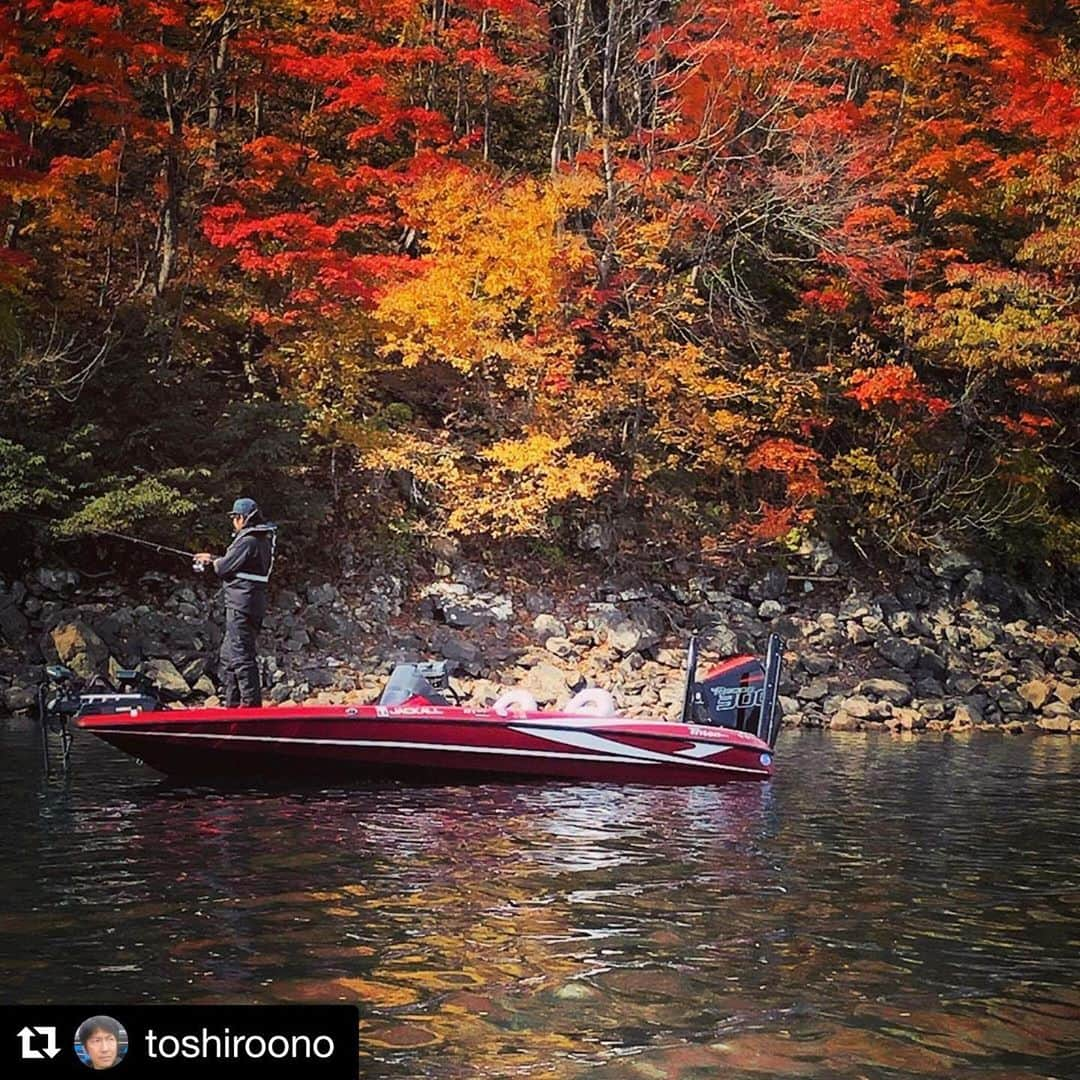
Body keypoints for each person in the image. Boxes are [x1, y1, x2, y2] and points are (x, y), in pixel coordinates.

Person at [194, 497, 277, 708]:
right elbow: (235, 563)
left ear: (242, 518)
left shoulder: (247, 540)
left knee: (241, 655)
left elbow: (223, 568)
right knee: (229, 657)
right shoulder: (260, 539)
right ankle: (232, 705)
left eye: (234, 518)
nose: (233, 522)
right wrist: (213, 558)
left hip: (241, 605)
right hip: (249, 604)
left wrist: (212, 561)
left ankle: (250, 708)